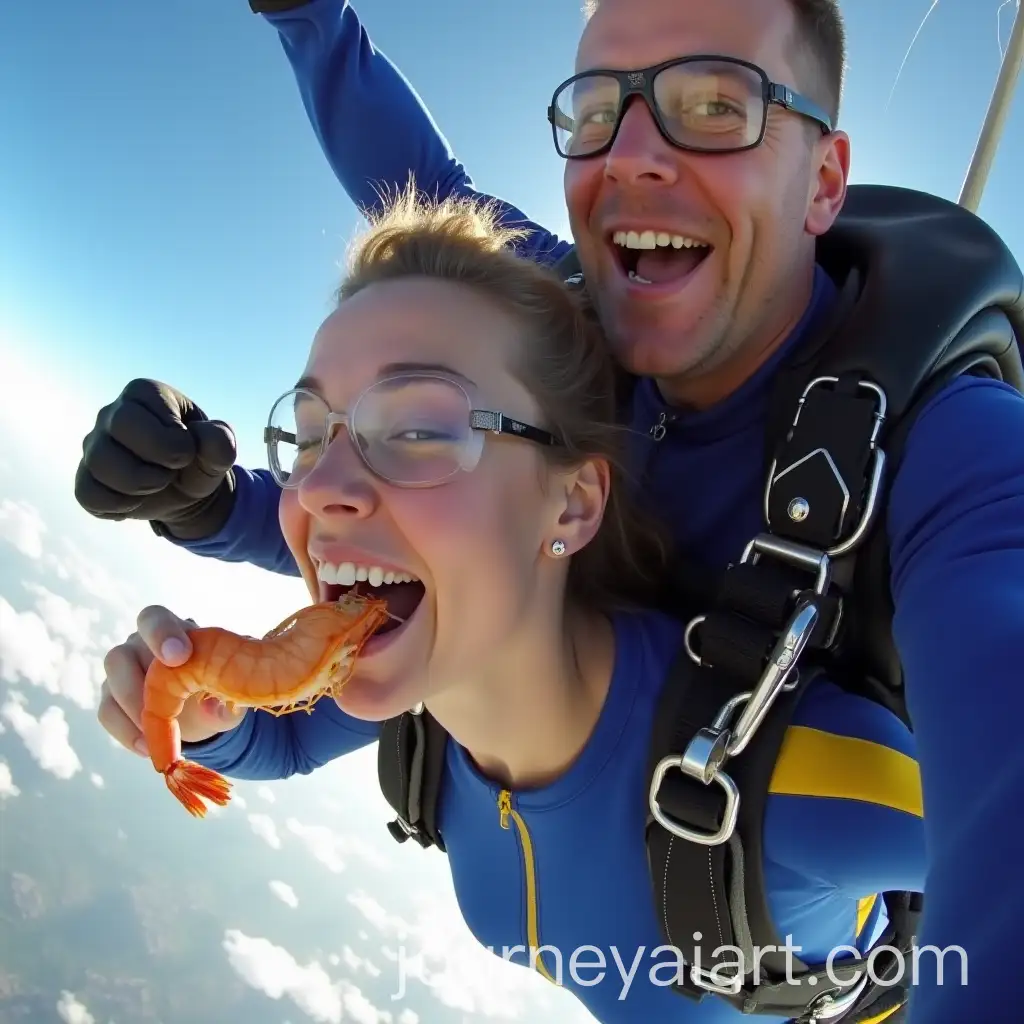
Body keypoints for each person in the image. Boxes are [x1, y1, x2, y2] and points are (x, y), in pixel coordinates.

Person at [75, 1, 1024, 1020]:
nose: (634, 156)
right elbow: (425, 213)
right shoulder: (573, 335)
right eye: (597, 111)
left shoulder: (959, 460)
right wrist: (216, 507)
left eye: (716, 103)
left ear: (824, 179)